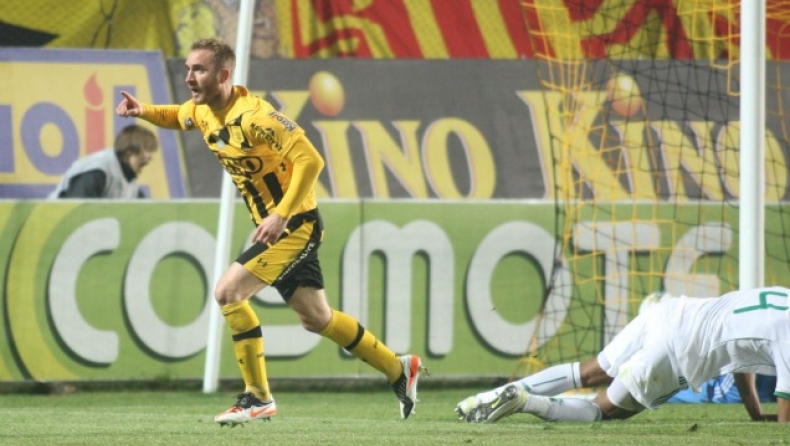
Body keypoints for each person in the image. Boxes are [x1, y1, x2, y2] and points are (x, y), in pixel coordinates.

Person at [115, 37, 425, 426]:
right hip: (276, 227)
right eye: (188, 69)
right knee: (317, 318)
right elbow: (178, 116)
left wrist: (281, 214)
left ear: (223, 75)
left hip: (294, 223)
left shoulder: (257, 117)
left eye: (199, 70)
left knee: (228, 292)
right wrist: (144, 110)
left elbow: (311, 160)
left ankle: (258, 397)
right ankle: (398, 368)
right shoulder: (204, 111)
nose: (189, 77)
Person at [456, 286, 790, 423]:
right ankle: (524, 402)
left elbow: (742, 354)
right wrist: (772, 420)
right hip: (680, 351)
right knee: (602, 411)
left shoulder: (781, 295)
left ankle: (486, 397)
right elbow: (786, 416)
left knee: (589, 371)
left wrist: (755, 414)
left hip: (669, 311)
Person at [48, 124, 158, 199]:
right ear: (129, 150)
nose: (150, 157)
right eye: (147, 150)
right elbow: (76, 209)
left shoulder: (131, 184)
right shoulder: (98, 172)